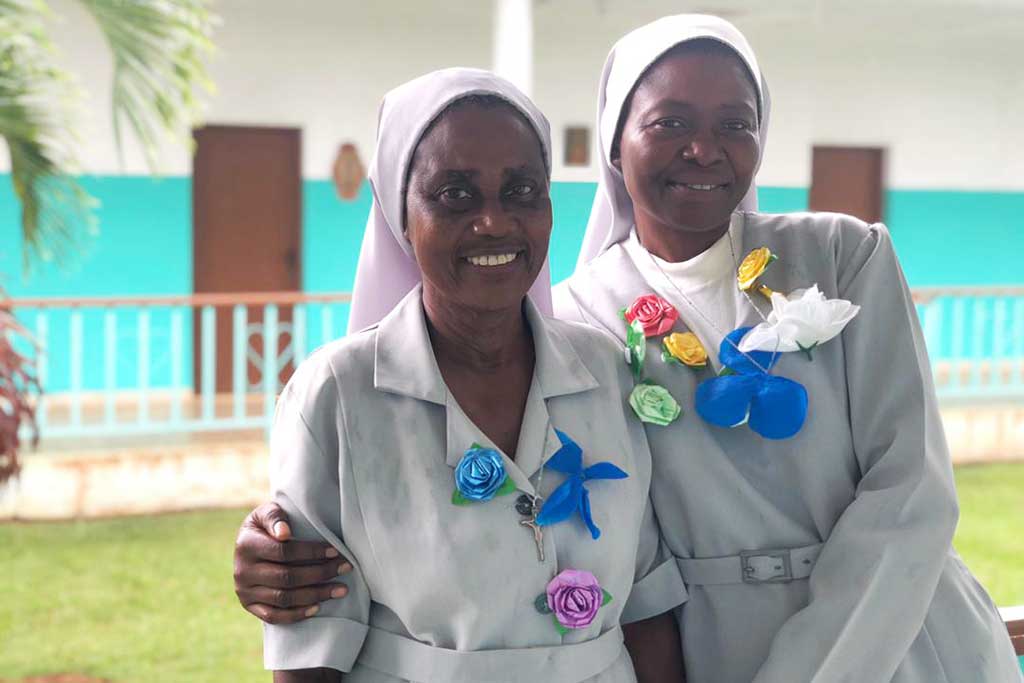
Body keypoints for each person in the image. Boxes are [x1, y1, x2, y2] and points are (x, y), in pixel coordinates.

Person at [236, 16, 1022, 683]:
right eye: (670, 122)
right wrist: (273, 547)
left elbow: (911, 489)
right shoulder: (583, 323)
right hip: (719, 650)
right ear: (614, 142)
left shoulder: (844, 258)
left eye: (735, 123)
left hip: (897, 634)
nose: (704, 149)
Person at [260, 67, 686, 683]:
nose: (494, 222)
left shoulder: (607, 375)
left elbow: (645, 607)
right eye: (455, 194)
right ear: (402, 216)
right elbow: (308, 649)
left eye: (521, 191)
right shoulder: (337, 396)